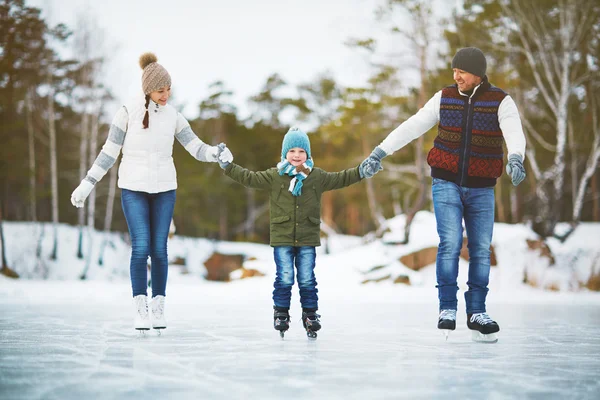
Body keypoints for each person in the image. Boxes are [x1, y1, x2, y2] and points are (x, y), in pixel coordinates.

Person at [360, 47, 527, 342]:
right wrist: (380, 151)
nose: (456, 76)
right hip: (445, 182)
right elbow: (413, 125)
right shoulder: (445, 97)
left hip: (482, 186)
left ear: (477, 73)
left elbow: (514, 131)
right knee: (450, 242)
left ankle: (477, 311)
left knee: (480, 249)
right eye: (454, 71)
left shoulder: (500, 101)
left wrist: (516, 158)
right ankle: (447, 307)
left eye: (461, 71)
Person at [70, 53, 233, 332]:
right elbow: (108, 153)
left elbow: (196, 148)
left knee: (159, 250)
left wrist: (217, 153)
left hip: (165, 190)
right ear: (148, 89)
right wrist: (87, 183)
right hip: (133, 189)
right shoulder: (126, 112)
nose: (166, 94)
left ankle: (158, 308)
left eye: (169, 88)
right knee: (141, 248)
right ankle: (141, 309)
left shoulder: (174, 116)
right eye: (161, 90)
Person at [216, 127, 368, 339]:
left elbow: (342, 178)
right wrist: (227, 166)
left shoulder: (316, 177)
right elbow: (248, 178)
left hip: (307, 236)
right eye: (292, 151)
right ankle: (281, 313)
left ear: (308, 155)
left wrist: (362, 171)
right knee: (285, 277)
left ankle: (310, 315)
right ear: (284, 154)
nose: (297, 155)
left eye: (301, 151)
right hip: (282, 237)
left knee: (307, 278)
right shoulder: (274, 176)